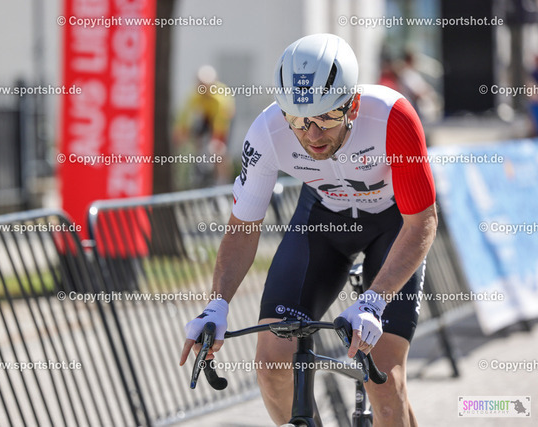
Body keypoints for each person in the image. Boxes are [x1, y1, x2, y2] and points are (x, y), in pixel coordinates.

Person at [180, 33, 437, 427]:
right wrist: (217, 304)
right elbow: (243, 228)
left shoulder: (392, 117)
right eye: (299, 121)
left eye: (326, 118)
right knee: (272, 364)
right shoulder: (267, 131)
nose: (312, 134)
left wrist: (374, 301)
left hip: (394, 226)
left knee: (384, 381)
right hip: (322, 222)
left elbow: (422, 223)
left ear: (352, 104)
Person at [173, 65, 235, 186]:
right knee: (196, 138)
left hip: (224, 119)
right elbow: (184, 116)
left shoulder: (221, 99)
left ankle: (223, 180)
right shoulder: (194, 95)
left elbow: (220, 125)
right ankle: (198, 171)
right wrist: (181, 132)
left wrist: (216, 142)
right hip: (206, 117)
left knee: (220, 150)